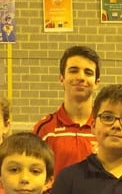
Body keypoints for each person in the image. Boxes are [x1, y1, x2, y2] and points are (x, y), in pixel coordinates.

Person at [33, 45, 100, 177]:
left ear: (96, 82)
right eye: (73, 71)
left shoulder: (106, 128)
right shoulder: (44, 129)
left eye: (88, 72)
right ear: (61, 79)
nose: (81, 77)